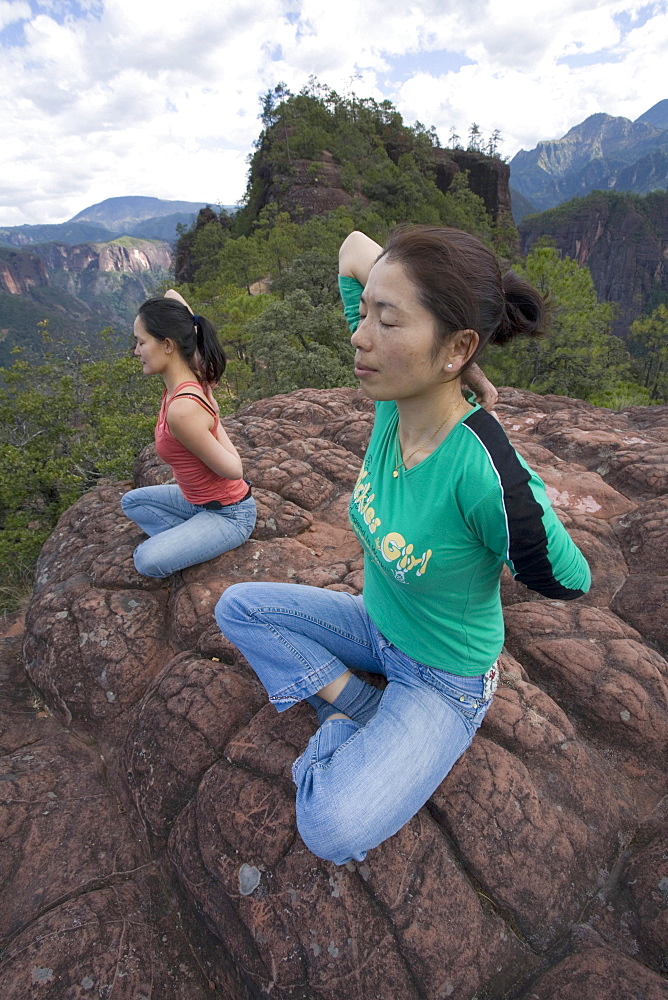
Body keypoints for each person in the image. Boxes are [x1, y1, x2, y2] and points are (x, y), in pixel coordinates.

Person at [215, 227, 591, 865]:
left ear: (454, 344)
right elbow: (353, 249)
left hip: (443, 677)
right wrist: (461, 363)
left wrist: (513, 487)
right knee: (236, 609)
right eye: (364, 314)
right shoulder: (393, 397)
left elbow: (568, 577)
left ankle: (345, 720)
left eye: (386, 321)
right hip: (374, 625)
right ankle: (359, 704)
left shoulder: (480, 473)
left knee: (330, 827)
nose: (361, 336)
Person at [121, 290, 256, 578]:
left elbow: (235, 469)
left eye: (141, 342)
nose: (136, 351)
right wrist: (193, 347)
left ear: (167, 345)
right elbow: (173, 296)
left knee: (146, 560)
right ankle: (195, 535)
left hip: (230, 514)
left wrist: (213, 420)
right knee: (132, 502)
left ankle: (200, 536)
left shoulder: (183, 409)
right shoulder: (192, 376)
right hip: (196, 503)